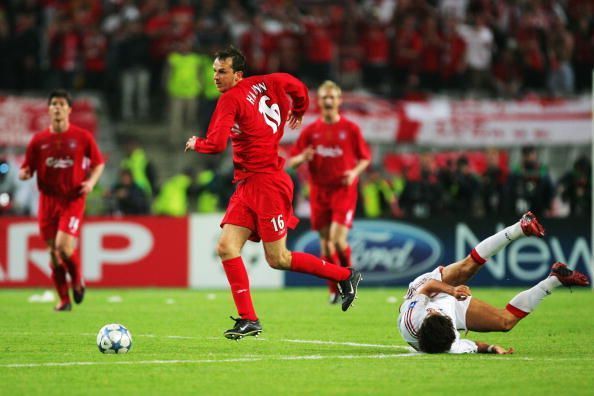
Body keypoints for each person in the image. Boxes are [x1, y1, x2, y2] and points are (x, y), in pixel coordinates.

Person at [185, 46, 362, 340]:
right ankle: (248, 319)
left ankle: (345, 275)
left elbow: (216, 145)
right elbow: (298, 87)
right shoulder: (269, 81)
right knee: (227, 247)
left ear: (238, 74)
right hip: (247, 184)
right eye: (214, 71)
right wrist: (300, 110)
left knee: (278, 258)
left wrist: (196, 143)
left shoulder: (230, 99)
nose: (216, 77)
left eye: (222, 72)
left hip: (267, 183)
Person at [398, 211, 589, 354]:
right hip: (435, 319)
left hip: (422, 292)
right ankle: (555, 279)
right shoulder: (449, 343)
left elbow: (428, 286)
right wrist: (491, 348)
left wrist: (452, 291)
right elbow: (473, 346)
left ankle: (520, 227)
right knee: (505, 322)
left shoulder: (411, 318)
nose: (436, 310)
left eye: (436, 312)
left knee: (467, 268)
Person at [19, 90, 105, 312]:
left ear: (69, 109)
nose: (57, 107)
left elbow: (98, 163)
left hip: (72, 198)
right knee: (53, 255)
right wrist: (25, 173)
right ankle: (64, 300)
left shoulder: (82, 137)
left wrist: (91, 182)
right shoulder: (39, 141)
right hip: (47, 200)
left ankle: (77, 279)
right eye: (53, 104)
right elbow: (26, 167)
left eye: (61, 104)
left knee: (63, 248)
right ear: (49, 110)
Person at [288, 80, 370, 304]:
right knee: (325, 244)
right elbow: (292, 161)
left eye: (332, 97)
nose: (328, 101)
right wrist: (302, 158)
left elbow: (365, 158)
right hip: (319, 192)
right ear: (319, 101)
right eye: (324, 97)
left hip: (343, 190)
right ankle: (335, 289)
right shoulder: (311, 131)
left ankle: (350, 278)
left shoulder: (350, 129)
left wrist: (353, 173)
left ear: (339, 100)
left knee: (336, 238)